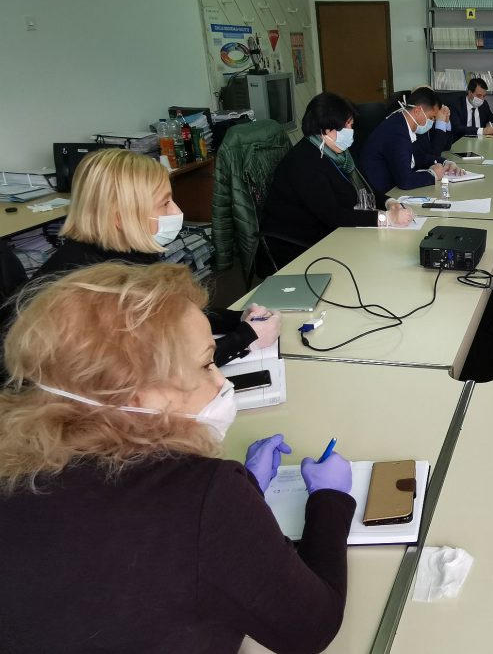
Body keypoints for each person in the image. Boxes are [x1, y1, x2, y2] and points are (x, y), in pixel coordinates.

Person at [0, 262, 355, 653]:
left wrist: (249, 487)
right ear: (132, 393)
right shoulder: (202, 492)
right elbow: (311, 627)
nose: (220, 380)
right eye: (205, 364)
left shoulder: (16, 468)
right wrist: (330, 499)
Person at [34, 149, 279, 367]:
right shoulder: (93, 289)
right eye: (164, 203)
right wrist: (246, 337)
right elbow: (160, 368)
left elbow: (171, 314)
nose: (177, 211)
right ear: (120, 218)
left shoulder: (128, 251)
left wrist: (237, 319)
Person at [261, 92, 415, 268]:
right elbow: (332, 215)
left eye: (351, 124)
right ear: (326, 129)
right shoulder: (304, 162)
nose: (351, 130)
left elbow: (367, 187)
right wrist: (386, 218)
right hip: (299, 243)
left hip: (335, 232)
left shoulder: (340, 154)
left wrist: (390, 203)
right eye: (346, 125)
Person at [358, 86, 464, 194]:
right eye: (431, 118)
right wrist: (433, 174)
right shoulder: (397, 132)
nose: (432, 122)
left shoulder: (402, 122)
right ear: (417, 111)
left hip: (394, 188)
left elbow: (419, 156)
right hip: (384, 194)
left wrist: (445, 162)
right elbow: (405, 181)